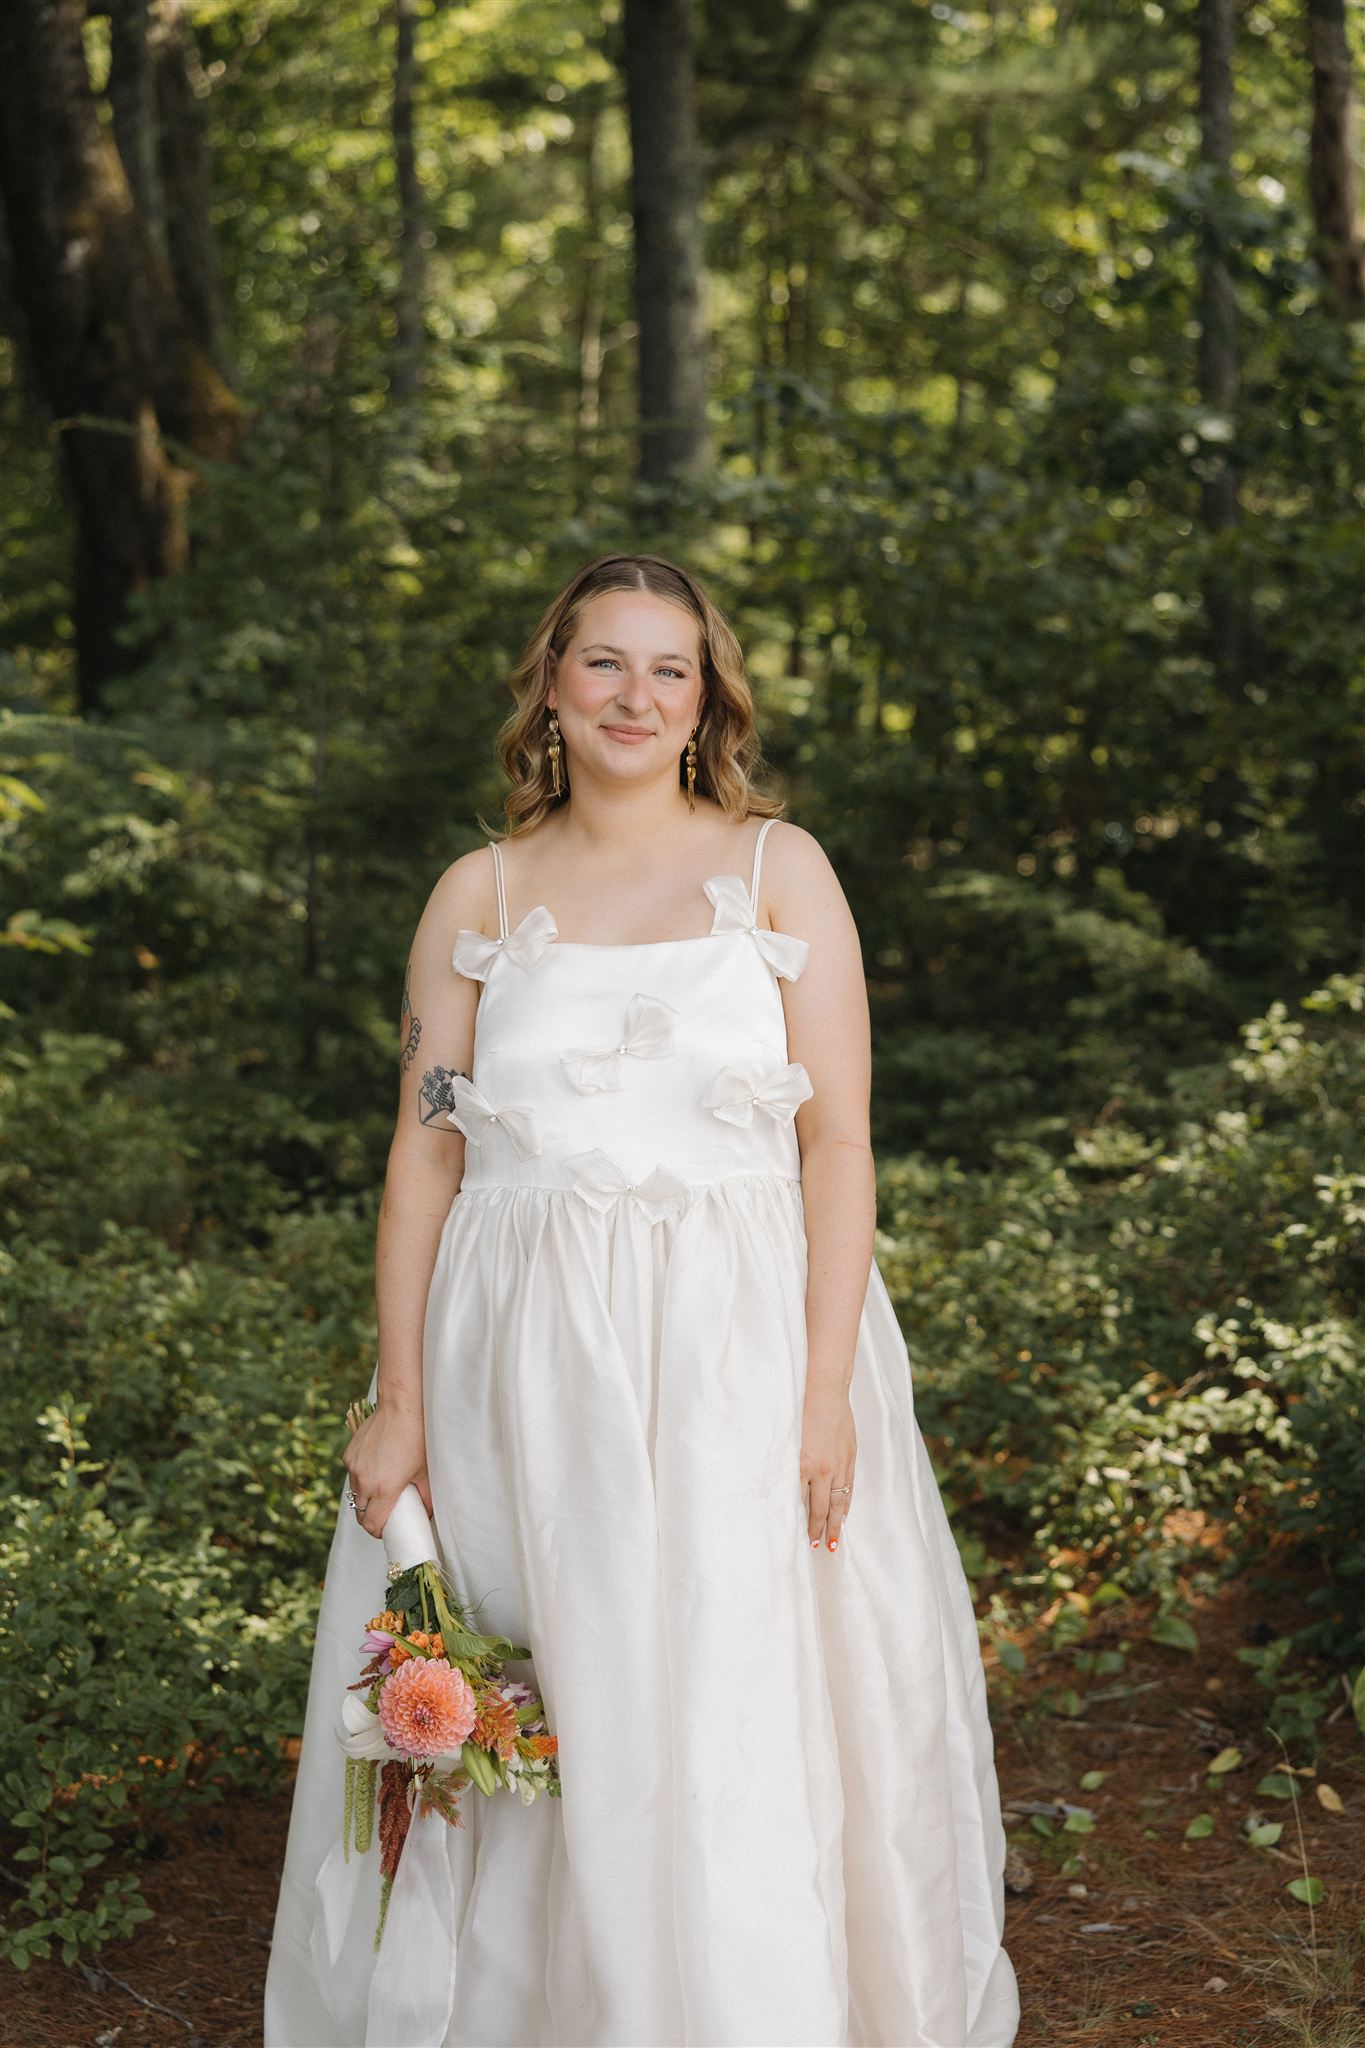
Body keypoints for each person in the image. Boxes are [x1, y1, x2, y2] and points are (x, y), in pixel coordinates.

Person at [264, 551, 1020, 2048]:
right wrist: (399, 1402)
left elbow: (838, 1143)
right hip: (523, 1353)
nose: (634, 695)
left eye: (668, 669)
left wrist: (822, 1391)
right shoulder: (477, 890)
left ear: (705, 701)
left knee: (727, 1669)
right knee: (555, 1665)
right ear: (551, 683)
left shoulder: (778, 869)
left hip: (739, 1341)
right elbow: (423, 1151)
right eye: (602, 661)